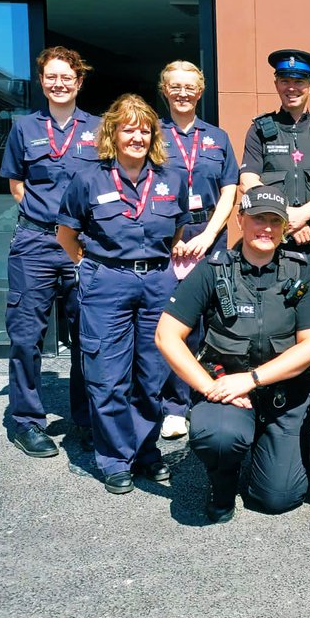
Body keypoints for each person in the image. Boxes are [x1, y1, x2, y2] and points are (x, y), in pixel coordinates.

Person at [155, 187, 310, 523]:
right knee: (219, 437)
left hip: (282, 395)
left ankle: (278, 446)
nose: (266, 227)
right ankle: (222, 484)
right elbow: (166, 335)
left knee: (278, 498)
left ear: (284, 228)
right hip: (226, 392)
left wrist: (250, 380)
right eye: (257, 218)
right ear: (240, 220)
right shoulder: (213, 270)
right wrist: (210, 386)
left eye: (274, 221)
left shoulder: (301, 272)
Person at [57, 94, 189, 495]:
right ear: (113, 132)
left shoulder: (171, 178)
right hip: (107, 283)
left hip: (155, 282)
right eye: (129, 128)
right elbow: (66, 235)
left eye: (145, 128)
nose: (137, 136)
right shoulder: (88, 178)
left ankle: (146, 451)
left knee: (151, 375)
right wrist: (92, 267)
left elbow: (178, 231)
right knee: (108, 376)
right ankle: (115, 458)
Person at [0, 46, 101, 458]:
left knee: (88, 337)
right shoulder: (24, 127)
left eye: (66, 77)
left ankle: (87, 420)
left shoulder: (98, 128)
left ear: (79, 82)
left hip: (82, 246)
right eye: (51, 77)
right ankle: (26, 421)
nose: (59, 84)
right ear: (42, 81)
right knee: (26, 337)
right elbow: (17, 184)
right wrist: (43, 221)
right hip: (35, 245)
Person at [156, 60, 240, 440]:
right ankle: (174, 407)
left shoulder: (217, 137)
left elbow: (230, 191)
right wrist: (173, 236)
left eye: (190, 86)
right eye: (175, 85)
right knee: (176, 322)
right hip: (166, 236)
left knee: (213, 321)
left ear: (201, 90)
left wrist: (209, 233)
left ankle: (206, 395)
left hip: (210, 235)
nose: (183, 92)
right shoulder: (153, 133)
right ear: (164, 89)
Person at [239, 49, 310, 280]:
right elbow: (248, 181)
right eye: (285, 80)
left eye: (299, 81)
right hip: (273, 241)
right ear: (276, 83)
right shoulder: (259, 131)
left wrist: (304, 214)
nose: (291, 88)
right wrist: (288, 218)